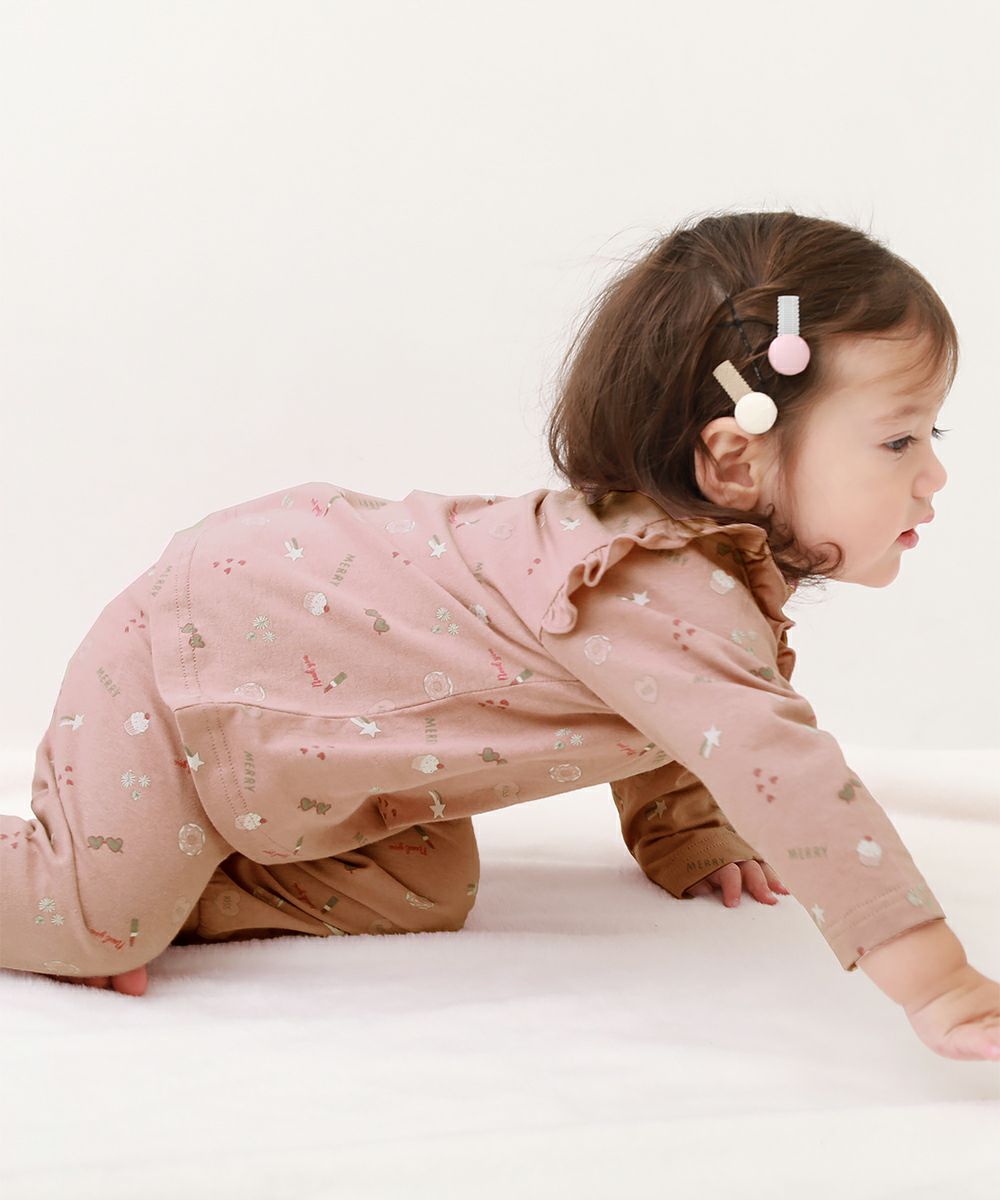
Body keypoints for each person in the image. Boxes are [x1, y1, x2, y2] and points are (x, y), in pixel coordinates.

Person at [2, 210, 996, 1062]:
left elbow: (679, 714)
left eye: (932, 436)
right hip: (204, 653)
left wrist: (686, 831)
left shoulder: (685, 579)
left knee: (420, 894)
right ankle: (96, 888)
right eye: (899, 440)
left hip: (330, 728)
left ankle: (164, 876)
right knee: (93, 923)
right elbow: (782, 771)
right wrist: (940, 983)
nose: (933, 476)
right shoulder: (652, 584)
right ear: (734, 463)